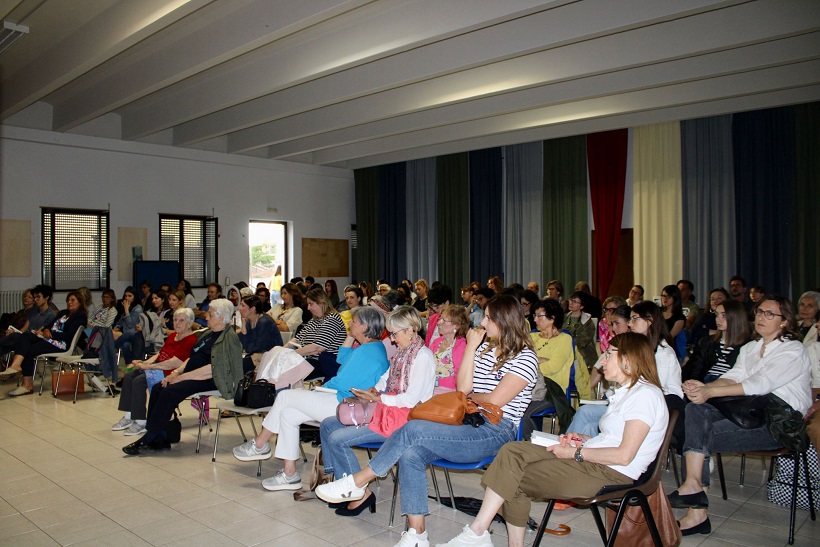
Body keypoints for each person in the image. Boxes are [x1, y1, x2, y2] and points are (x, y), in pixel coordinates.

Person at [316, 295, 538, 545]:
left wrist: (475, 396)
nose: (483, 322)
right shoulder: (486, 350)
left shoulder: (525, 357)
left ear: (504, 320)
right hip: (469, 422)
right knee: (412, 453)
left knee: (412, 428)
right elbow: (464, 389)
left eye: (488, 317)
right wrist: (473, 350)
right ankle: (417, 533)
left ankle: (359, 481)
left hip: (496, 431)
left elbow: (496, 401)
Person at [438, 332, 668, 547]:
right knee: (512, 452)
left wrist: (575, 453)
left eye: (609, 354)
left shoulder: (645, 396)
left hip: (613, 472)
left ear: (628, 358)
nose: (602, 360)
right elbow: (616, 439)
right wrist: (585, 440)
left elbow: (624, 455)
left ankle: (478, 532)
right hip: (596, 460)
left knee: (512, 476)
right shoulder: (629, 393)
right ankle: (481, 533)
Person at [673, 295, 812, 536]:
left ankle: (696, 512)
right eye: (759, 312)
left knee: (696, 436)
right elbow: (734, 376)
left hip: (778, 425)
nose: (760, 317)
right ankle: (693, 489)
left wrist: (710, 390)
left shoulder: (793, 350)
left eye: (769, 314)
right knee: (695, 410)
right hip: (750, 413)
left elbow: (761, 383)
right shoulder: (750, 347)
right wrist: (703, 387)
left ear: (784, 321)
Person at [232, 307, 390, 491]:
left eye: (353, 322)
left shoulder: (367, 352)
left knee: (284, 396)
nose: (349, 323)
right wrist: (350, 335)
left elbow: (342, 381)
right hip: (343, 400)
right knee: (289, 414)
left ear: (364, 326)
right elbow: (342, 359)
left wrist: (319, 390)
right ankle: (289, 474)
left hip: (343, 403)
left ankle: (260, 443)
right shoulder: (369, 347)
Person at [316, 306, 436, 515]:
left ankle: (359, 494)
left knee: (338, 438)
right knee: (328, 425)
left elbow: (410, 399)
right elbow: (385, 379)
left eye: (394, 333)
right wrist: (374, 390)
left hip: (404, 419)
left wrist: (378, 397)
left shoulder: (422, 356)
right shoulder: (403, 353)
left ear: (410, 331)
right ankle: (337, 480)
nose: (391, 339)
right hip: (387, 410)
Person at [122, 299, 243, 455]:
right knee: (159, 386)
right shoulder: (208, 334)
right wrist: (176, 373)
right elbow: (191, 358)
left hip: (211, 380)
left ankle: (148, 438)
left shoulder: (228, 339)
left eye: (210, 314)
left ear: (221, 318)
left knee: (170, 391)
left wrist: (181, 378)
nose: (206, 317)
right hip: (193, 375)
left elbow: (213, 370)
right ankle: (160, 437)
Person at [111, 308, 198, 436]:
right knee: (129, 376)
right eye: (175, 320)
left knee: (139, 381)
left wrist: (149, 367)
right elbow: (160, 354)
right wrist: (145, 363)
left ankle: (140, 422)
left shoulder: (191, 340)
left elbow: (176, 362)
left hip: (170, 372)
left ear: (190, 323)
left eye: (181, 321)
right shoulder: (173, 335)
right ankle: (129, 415)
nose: (177, 323)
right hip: (158, 367)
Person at [0, 292, 87, 396]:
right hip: (48, 339)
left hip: (60, 344)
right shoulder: (63, 313)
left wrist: (51, 334)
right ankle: (16, 365)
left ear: (80, 303)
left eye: (72, 300)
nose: (69, 302)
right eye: (68, 300)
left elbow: (69, 335)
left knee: (28, 348)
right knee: (25, 336)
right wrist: (46, 330)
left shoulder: (81, 316)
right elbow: (49, 326)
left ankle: (26, 384)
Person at [568, 304, 633, 437]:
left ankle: (565, 446)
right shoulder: (615, 346)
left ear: (629, 323)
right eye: (611, 324)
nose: (613, 328)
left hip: (621, 405)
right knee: (589, 426)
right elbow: (598, 369)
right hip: (611, 400)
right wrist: (586, 391)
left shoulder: (632, 349)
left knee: (585, 412)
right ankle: (574, 450)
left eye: (617, 324)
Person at [522, 298, 575, 437]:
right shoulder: (531, 337)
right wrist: (538, 360)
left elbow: (552, 367)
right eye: (535, 315)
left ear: (552, 318)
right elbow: (519, 361)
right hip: (526, 386)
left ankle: (537, 445)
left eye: (539, 316)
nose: (535, 319)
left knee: (522, 412)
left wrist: (531, 361)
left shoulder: (564, 339)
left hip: (550, 390)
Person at [629, 301, 684, 414]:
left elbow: (659, 387)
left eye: (635, 318)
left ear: (650, 321)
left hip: (657, 405)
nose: (630, 323)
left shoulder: (664, 353)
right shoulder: (638, 347)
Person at [683, 300, 751, 384]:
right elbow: (696, 369)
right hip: (705, 382)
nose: (718, 319)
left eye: (724, 315)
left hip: (729, 385)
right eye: (717, 315)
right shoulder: (707, 342)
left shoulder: (748, 345)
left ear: (736, 317)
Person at [287, 287, 346, 380]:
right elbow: (297, 339)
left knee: (287, 373)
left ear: (321, 302)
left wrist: (290, 355)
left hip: (327, 364)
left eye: (311, 304)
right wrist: (282, 351)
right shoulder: (314, 321)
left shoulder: (332, 318)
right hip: (312, 361)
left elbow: (318, 347)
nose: (308, 308)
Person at [428, 304, 470, 390]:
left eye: (444, 320)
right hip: (430, 388)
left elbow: (460, 377)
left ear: (457, 325)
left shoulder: (461, 346)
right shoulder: (436, 342)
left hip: (448, 391)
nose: (439, 322)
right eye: (440, 318)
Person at [237, 294, 282, 373]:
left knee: (237, 366)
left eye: (243, 306)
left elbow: (256, 348)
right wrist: (243, 328)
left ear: (252, 309)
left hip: (270, 357)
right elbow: (245, 346)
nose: (239, 308)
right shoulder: (248, 321)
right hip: (257, 356)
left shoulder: (264, 322)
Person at [563, 291, 597, 373]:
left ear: (582, 306)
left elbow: (582, 341)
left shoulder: (587, 321)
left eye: (575, 302)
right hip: (566, 352)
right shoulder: (564, 317)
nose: (571, 303)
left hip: (584, 356)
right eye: (571, 300)